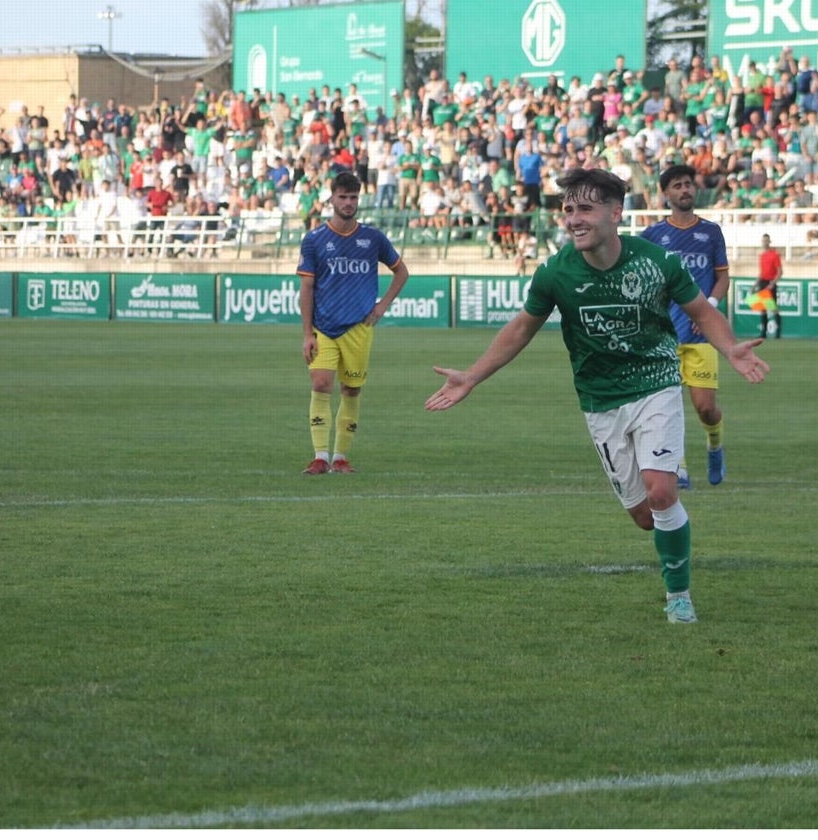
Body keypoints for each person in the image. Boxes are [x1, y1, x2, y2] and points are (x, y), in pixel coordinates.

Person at [425, 168, 769, 625]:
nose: (573, 219)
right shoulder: (555, 272)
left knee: (662, 492)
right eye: (568, 210)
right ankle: (671, 552)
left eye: (584, 208)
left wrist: (729, 349)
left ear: (615, 212)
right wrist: (472, 376)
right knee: (645, 516)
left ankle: (679, 595)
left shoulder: (657, 262)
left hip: (656, 384)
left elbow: (701, 311)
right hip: (600, 400)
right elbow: (522, 328)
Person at [298, 171, 410, 476]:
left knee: (351, 389)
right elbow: (306, 288)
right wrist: (307, 333)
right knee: (321, 384)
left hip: (359, 328)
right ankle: (320, 455)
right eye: (343, 197)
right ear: (331, 198)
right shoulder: (315, 240)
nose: (348, 203)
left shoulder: (372, 238)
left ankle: (341, 456)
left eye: (353, 197)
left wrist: (383, 305)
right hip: (323, 327)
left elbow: (401, 272)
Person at [640, 163, 731, 489]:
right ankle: (677, 468)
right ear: (666, 193)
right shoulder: (652, 236)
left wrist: (709, 309)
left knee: (705, 408)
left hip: (700, 334)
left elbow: (722, 277)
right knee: (667, 408)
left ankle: (715, 445)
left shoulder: (710, 232)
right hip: (663, 335)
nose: (685, 190)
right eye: (677, 185)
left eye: (689, 184)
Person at [756, 233, 783, 338]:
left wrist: (773, 283)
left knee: (773, 307)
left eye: (766, 240)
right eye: (763, 241)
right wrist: (755, 284)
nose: (765, 243)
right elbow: (762, 272)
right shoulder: (762, 256)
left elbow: (780, 272)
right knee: (762, 307)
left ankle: (778, 333)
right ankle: (763, 333)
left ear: (769, 242)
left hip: (770, 283)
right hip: (763, 282)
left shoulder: (775, 255)